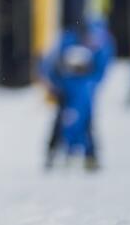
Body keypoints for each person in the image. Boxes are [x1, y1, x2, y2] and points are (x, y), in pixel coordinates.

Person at [39, 19, 115, 170]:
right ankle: (52, 153)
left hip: (83, 90)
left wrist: (90, 85)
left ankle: (90, 156)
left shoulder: (102, 43)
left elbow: (100, 70)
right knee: (60, 120)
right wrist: (55, 84)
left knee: (87, 122)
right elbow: (50, 64)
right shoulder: (67, 41)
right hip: (64, 88)